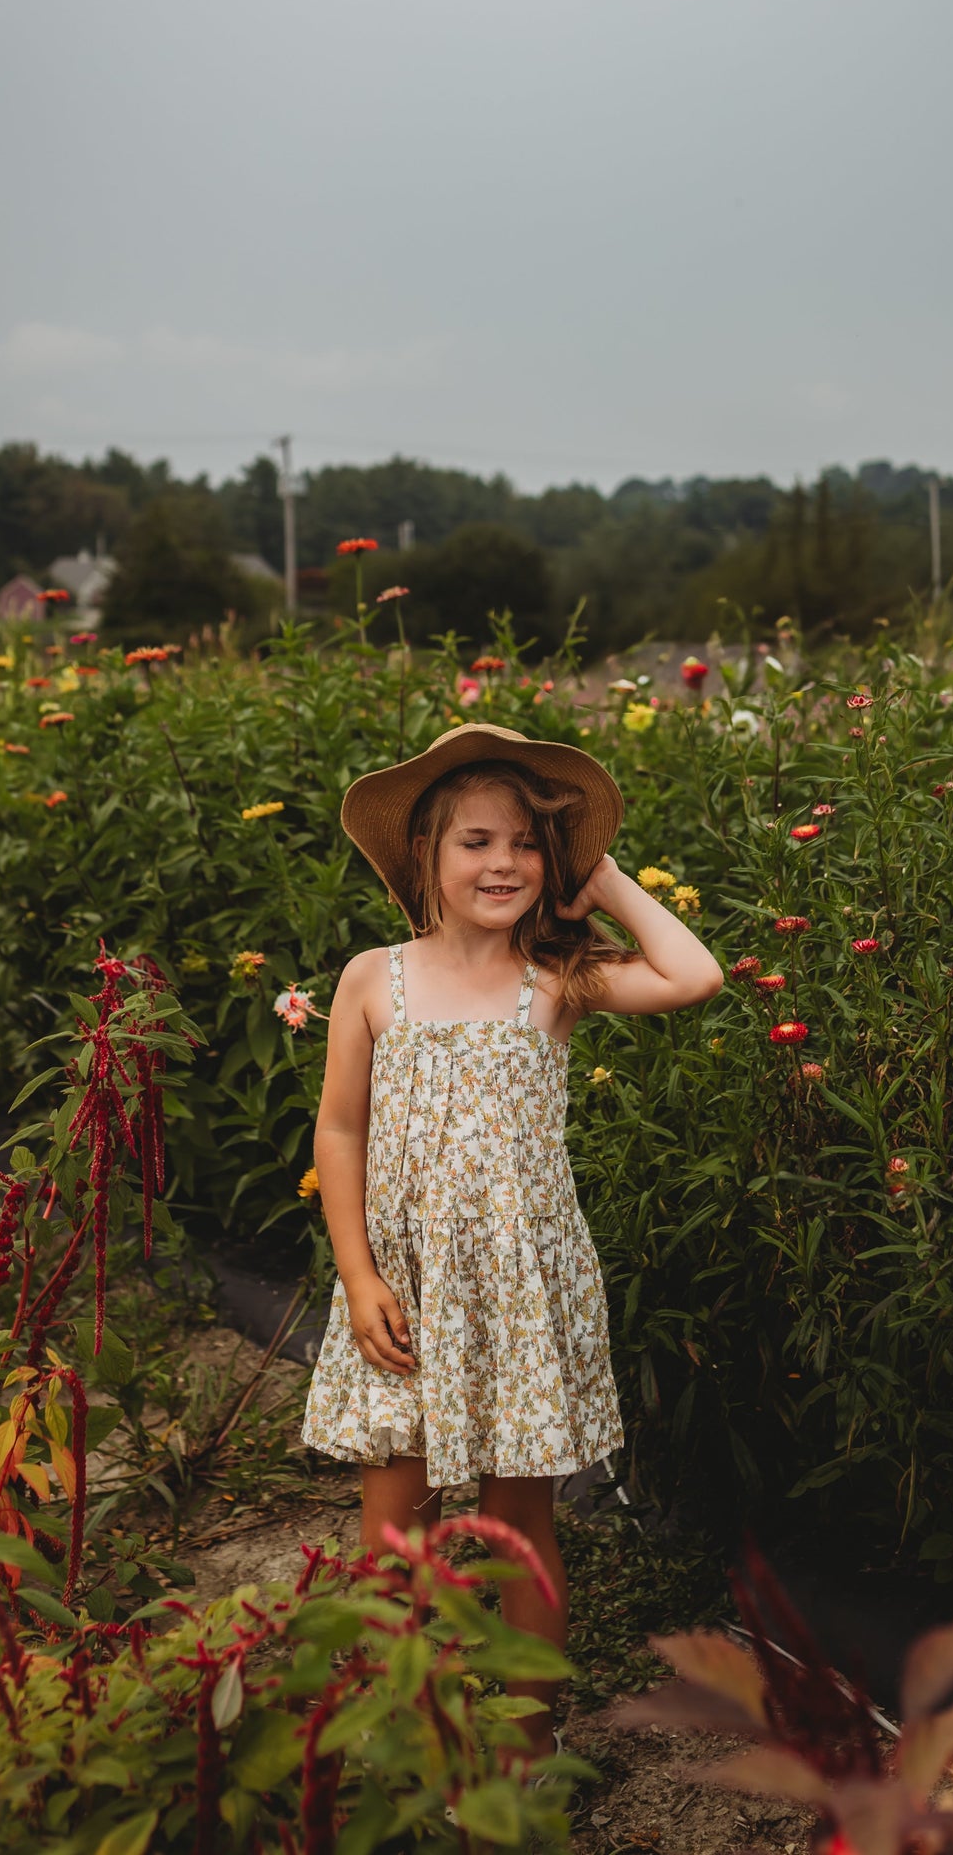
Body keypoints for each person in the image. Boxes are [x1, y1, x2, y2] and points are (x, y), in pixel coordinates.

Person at [302, 721, 723, 1750]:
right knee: (395, 1529)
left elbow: (694, 975)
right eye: (477, 841)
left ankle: (526, 1750)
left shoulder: (557, 976)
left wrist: (604, 879)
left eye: (529, 845)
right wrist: (358, 1274)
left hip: (518, 1292)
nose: (504, 863)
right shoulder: (373, 978)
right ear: (424, 855)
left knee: (517, 1527)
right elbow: (341, 1128)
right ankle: (407, 1739)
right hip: (403, 1287)